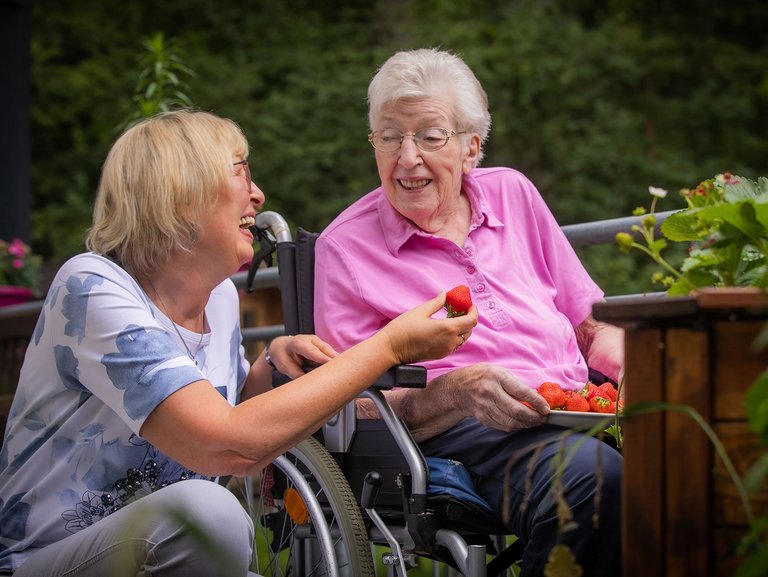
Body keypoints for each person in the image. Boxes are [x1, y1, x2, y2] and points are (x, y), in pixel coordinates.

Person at [0, 109, 478, 577]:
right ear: (180, 192)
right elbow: (224, 447)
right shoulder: (93, 288)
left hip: (165, 551)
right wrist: (388, 347)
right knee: (209, 512)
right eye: (241, 172)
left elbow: (223, 417)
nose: (258, 194)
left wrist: (266, 370)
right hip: (47, 559)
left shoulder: (221, 299)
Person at [313, 48, 624, 577]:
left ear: (470, 147)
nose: (407, 157)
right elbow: (350, 401)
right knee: (597, 481)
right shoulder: (345, 248)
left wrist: (638, 372)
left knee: (699, 459)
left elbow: (590, 326)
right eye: (389, 136)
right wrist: (457, 393)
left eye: (430, 136)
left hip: (582, 409)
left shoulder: (514, 193)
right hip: (468, 434)